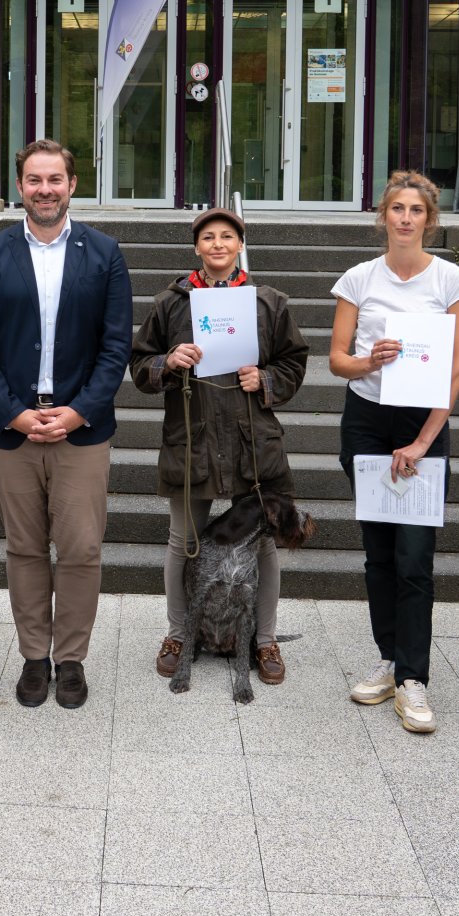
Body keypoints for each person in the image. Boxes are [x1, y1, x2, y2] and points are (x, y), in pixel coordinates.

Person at [0, 139, 133, 710]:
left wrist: (80, 410)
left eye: (54, 179)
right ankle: (35, 656)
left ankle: (72, 659)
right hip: (12, 427)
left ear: (73, 184)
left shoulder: (104, 253)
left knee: (81, 548)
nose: (44, 189)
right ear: (20, 187)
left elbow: (115, 348)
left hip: (81, 427)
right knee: (25, 548)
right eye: (34, 180)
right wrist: (13, 412)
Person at [130, 208, 309, 684]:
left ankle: (265, 640)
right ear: (196, 247)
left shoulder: (268, 301)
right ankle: (177, 632)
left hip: (254, 442)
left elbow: (294, 361)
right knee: (182, 541)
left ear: (239, 244)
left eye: (227, 237)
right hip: (193, 438)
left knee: (265, 543)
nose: (217, 245)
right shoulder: (171, 302)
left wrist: (266, 377)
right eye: (208, 237)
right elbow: (139, 365)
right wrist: (168, 360)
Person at [330, 170, 459, 734]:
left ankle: (415, 678)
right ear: (383, 217)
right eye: (397, 208)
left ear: (429, 219)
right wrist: (372, 360)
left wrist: (421, 442)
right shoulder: (358, 279)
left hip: (424, 422)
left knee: (415, 557)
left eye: (416, 210)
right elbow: (338, 359)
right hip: (366, 419)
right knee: (378, 554)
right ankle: (389, 659)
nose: (406, 218)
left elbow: (458, 367)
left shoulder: (452, 281)